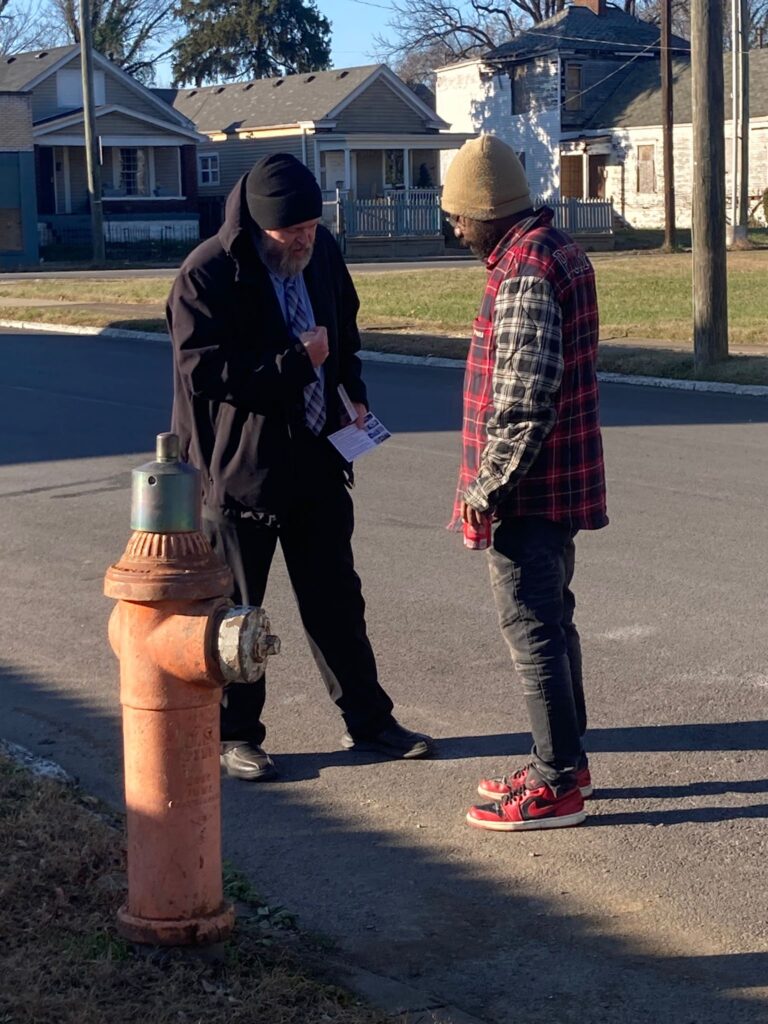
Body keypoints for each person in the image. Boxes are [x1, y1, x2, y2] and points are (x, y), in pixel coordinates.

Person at [168, 153, 433, 781]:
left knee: (337, 599)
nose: (307, 242)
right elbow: (206, 374)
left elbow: (345, 333)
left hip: (317, 458)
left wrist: (352, 391)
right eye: (295, 235)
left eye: (314, 229)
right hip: (239, 471)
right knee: (236, 611)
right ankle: (235, 734)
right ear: (260, 228)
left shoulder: (324, 255)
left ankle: (368, 720)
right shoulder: (207, 275)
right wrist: (296, 361)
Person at [441, 135, 607, 831]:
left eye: (457, 214)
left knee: (533, 629)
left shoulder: (526, 270)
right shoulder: (552, 248)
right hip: (555, 483)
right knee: (554, 622)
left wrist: (486, 493)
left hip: (529, 492)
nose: (452, 226)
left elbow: (522, 401)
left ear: (487, 210)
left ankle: (556, 783)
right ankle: (565, 760)